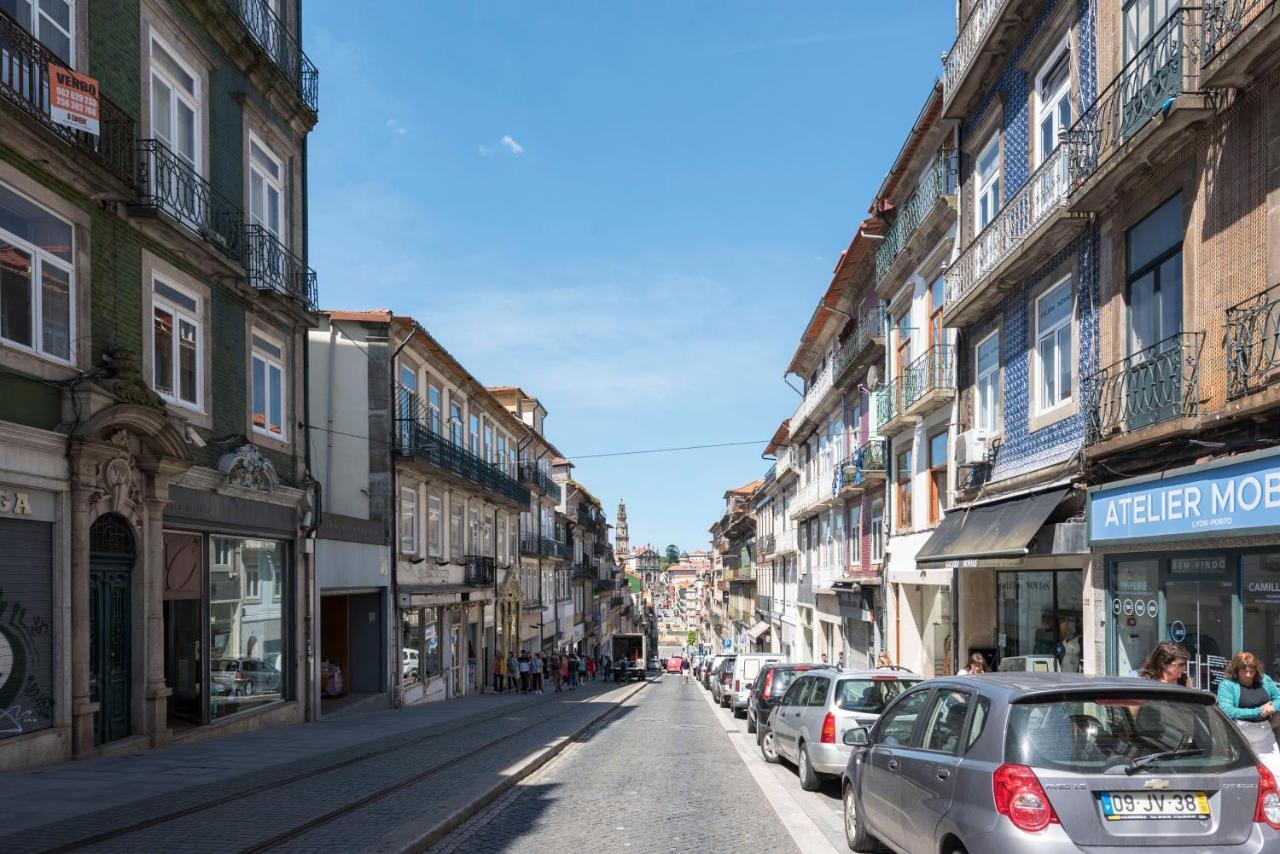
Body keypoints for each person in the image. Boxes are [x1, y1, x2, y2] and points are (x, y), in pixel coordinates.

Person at [1217, 652, 1280, 777]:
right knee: (1244, 774)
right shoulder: (1227, 685)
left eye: (1252, 671)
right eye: (1244, 671)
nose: (1248, 675)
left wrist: (1273, 707)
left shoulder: (1264, 679)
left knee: (1275, 772)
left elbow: (1278, 696)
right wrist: (1258, 711)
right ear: (1236, 670)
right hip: (1240, 732)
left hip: (1264, 731)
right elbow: (1227, 710)